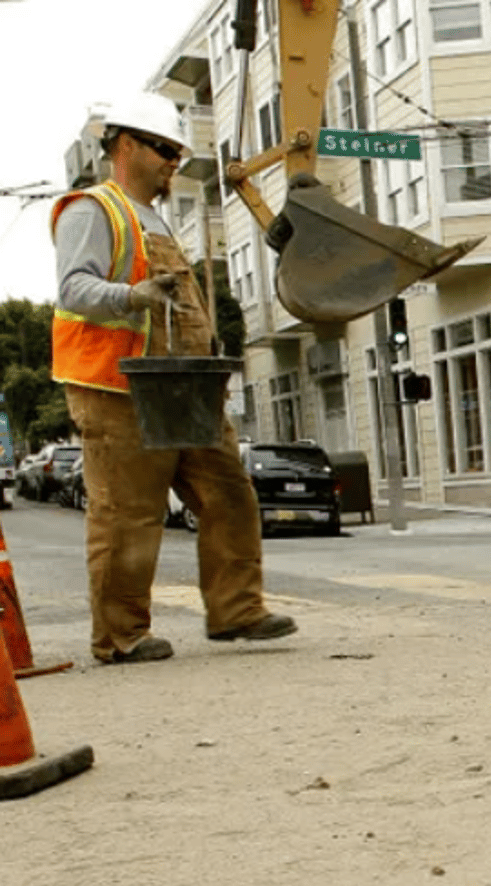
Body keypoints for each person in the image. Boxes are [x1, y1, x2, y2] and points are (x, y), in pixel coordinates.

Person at [50, 93, 295, 665]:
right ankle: (120, 636)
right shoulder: (93, 210)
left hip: (182, 385)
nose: (172, 163)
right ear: (126, 145)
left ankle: (237, 611)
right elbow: (73, 289)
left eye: (179, 154)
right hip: (118, 387)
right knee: (128, 511)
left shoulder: (157, 218)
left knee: (229, 492)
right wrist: (132, 295)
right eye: (164, 150)